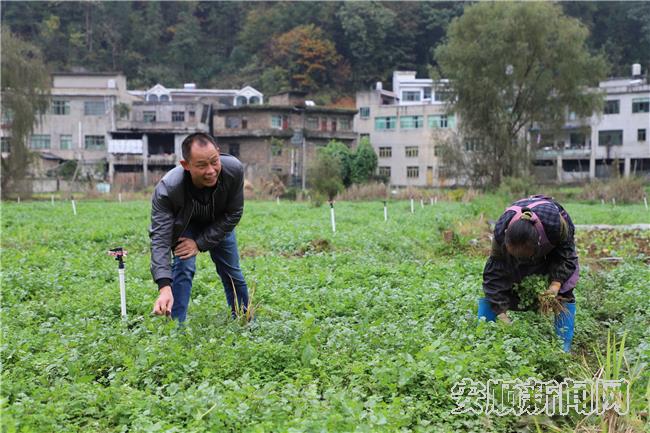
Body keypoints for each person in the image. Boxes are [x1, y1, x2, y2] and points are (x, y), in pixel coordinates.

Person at [150, 132, 249, 322]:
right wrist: (163, 286)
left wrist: (199, 243)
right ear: (185, 165)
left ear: (219, 154)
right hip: (185, 225)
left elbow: (234, 213)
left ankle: (244, 320)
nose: (211, 170)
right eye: (202, 165)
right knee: (183, 268)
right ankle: (175, 327)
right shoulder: (167, 190)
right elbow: (160, 238)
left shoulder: (233, 170)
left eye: (214, 161)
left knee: (231, 271)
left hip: (220, 222)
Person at [478, 194, 578, 352]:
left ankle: (562, 347)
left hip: (551, 236)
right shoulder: (501, 231)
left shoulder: (556, 225)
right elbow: (493, 276)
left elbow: (565, 256)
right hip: (519, 237)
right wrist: (502, 316)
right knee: (496, 289)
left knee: (564, 291)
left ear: (538, 244)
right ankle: (482, 342)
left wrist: (554, 285)